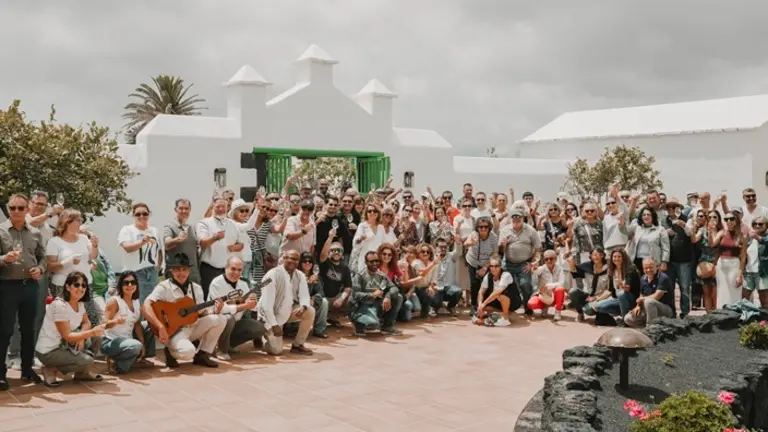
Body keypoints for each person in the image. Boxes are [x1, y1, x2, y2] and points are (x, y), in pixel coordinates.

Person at [143, 253, 227, 368]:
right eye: (177, 270)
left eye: (184, 269)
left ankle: (202, 355)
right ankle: (170, 351)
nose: (181, 273)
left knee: (220, 319)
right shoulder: (163, 287)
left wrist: (217, 310)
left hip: (192, 326)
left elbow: (201, 313)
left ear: (189, 271)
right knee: (188, 353)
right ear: (172, 271)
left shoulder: (196, 288)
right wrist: (161, 327)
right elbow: (146, 306)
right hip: (174, 331)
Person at [0, 194, 47, 390]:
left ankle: (27, 369)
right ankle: (1, 374)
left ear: (27, 209)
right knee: (5, 330)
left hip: (30, 286)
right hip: (7, 287)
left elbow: (42, 257)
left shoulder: (35, 233)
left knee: (29, 329)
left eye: (20, 208)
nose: (16, 212)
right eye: (13, 208)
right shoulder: (1, 231)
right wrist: (4, 259)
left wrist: (40, 269)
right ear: (8, 209)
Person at [35, 272, 113, 387]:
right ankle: (50, 368)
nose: (81, 288)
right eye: (76, 285)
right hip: (49, 351)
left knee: (97, 338)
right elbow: (67, 335)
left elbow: (87, 322)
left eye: (84, 285)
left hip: (65, 344)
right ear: (67, 287)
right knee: (87, 361)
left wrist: (82, 336)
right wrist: (89, 333)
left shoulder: (79, 303)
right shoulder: (59, 306)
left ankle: (82, 373)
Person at [256, 250, 315, 355]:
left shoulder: (300, 275)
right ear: (284, 258)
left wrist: (303, 307)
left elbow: (304, 295)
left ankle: (298, 345)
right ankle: (261, 336)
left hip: (288, 311)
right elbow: (266, 305)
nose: (293, 261)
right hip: (271, 315)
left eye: (296, 259)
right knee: (276, 351)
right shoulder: (272, 275)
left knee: (310, 311)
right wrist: (274, 325)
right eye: (290, 258)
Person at [207, 257, 263, 360]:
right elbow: (220, 309)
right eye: (233, 269)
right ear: (225, 268)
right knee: (228, 318)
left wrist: (253, 302)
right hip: (217, 324)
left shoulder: (243, 284)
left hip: (235, 324)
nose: (236, 272)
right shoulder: (216, 283)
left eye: (239, 270)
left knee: (259, 327)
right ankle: (221, 350)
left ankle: (229, 345)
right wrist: (243, 306)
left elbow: (253, 309)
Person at [101, 271, 156, 374]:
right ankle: (116, 363)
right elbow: (103, 324)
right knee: (135, 346)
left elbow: (137, 323)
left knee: (150, 325)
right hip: (111, 341)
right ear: (120, 285)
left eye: (133, 282)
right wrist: (115, 322)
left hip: (128, 339)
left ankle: (140, 358)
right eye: (126, 283)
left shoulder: (135, 301)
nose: (130, 285)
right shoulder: (114, 301)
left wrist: (142, 342)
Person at [349, 251, 403, 336]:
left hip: (376, 305)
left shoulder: (381, 275)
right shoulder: (360, 275)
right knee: (372, 325)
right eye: (371, 261)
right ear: (366, 262)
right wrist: (372, 295)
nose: (375, 263)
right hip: (362, 306)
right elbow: (355, 294)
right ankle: (358, 324)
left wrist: (387, 296)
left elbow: (394, 287)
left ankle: (387, 327)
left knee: (398, 297)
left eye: (376, 261)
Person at [624, 258, 675, 328]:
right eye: (646, 268)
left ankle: (651, 328)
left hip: (666, 310)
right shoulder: (643, 278)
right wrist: (638, 306)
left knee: (649, 301)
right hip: (647, 309)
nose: (648, 270)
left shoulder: (663, 278)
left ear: (657, 267)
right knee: (627, 319)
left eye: (651, 267)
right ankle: (654, 324)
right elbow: (641, 294)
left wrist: (642, 299)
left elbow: (657, 296)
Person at [476, 256, 520, 327]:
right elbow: (481, 291)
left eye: (496, 266)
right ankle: (506, 314)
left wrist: (484, 303)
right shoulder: (488, 276)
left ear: (500, 266)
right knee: (483, 309)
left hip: (513, 301)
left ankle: (505, 319)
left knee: (500, 295)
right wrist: (480, 305)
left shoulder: (506, 275)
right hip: (498, 302)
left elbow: (498, 291)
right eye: (491, 266)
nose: (493, 268)